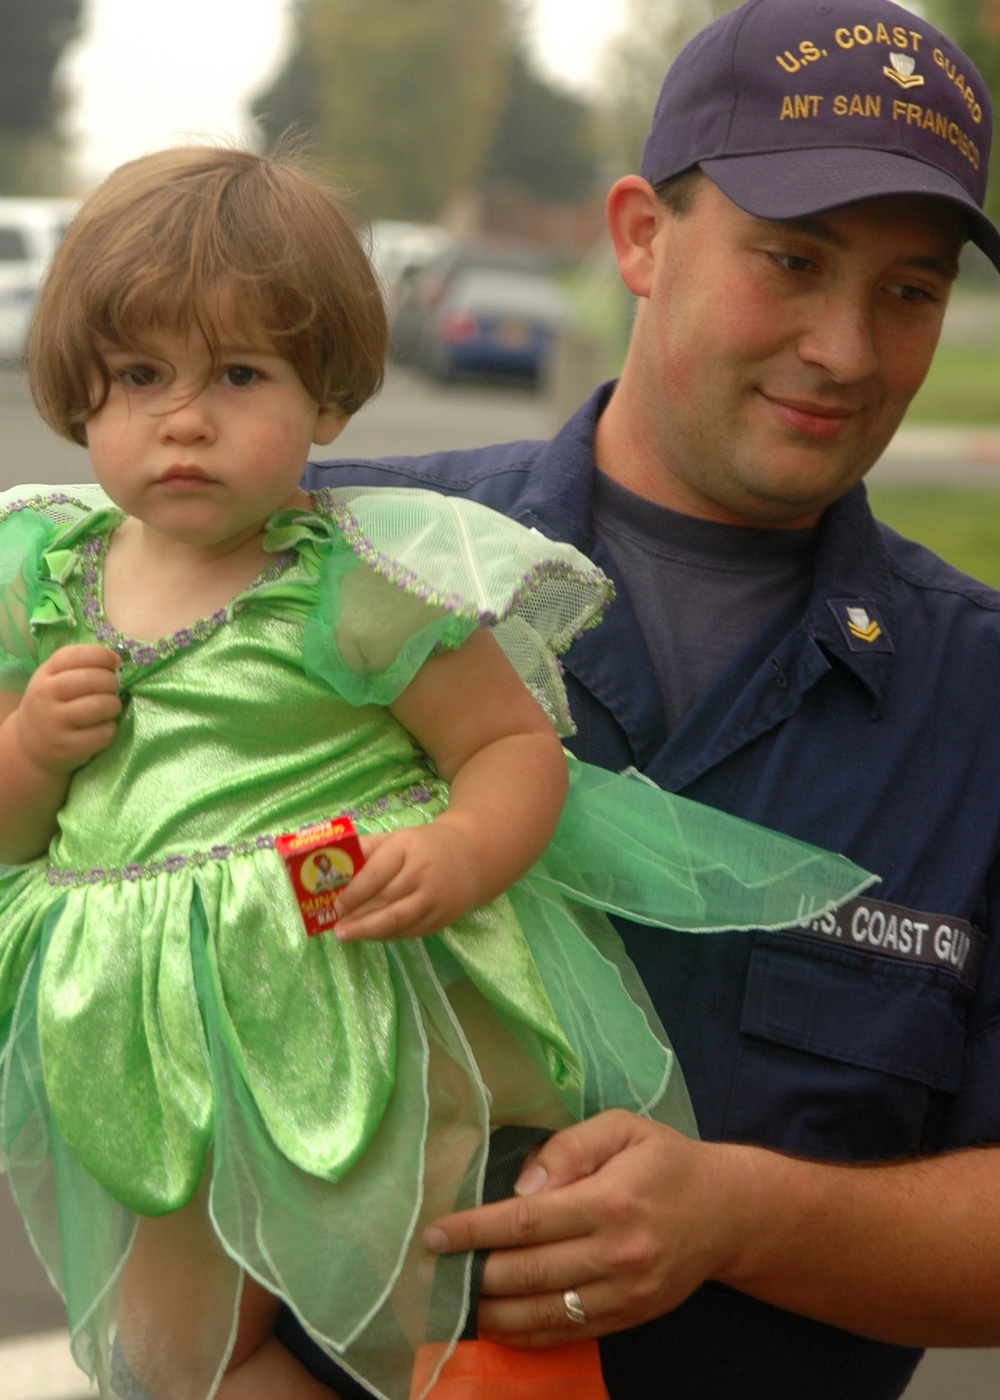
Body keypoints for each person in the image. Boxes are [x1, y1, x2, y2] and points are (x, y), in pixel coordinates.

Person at [0, 145, 871, 1400]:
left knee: (450, 1277)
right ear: (79, 395)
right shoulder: (48, 576)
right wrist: (30, 746)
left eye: (239, 375)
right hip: (140, 1027)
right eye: (140, 376)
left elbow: (512, 747)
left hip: (353, 994)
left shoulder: (350, 580)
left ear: (331, 400)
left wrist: (461, 852)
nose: (182, 418)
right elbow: (14, 828)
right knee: (167, 1342)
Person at [293, 0, 1000, 1396]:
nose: (848, 352)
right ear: (639, 234)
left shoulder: (978, 696)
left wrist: (744, 1218)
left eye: (909, 291)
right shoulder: (344, 568)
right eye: (791, 262)